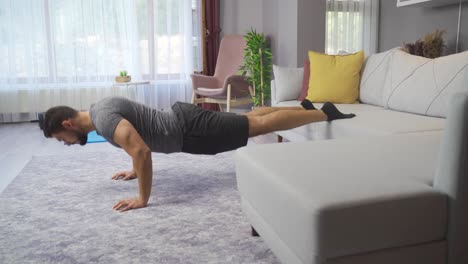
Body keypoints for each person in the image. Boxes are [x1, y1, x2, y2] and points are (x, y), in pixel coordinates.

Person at [42, 96, 355, 212]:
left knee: (255, 126)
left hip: (188, 129)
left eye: (61, 138)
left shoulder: (104, 120)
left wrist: (142, 198)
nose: (66, 143)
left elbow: (141, 150)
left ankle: (322, 115)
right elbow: (135, 146)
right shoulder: (99, 111)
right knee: (249, 120)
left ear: (68, 124)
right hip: (184, 125)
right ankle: (304, 108)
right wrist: (134, 170)